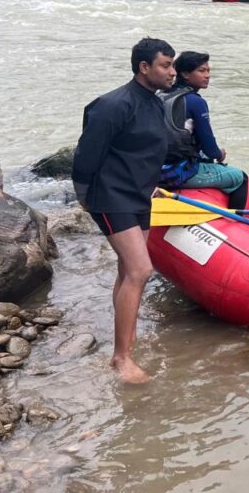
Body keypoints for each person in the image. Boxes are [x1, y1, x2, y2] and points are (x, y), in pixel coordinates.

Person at [71, 37, 176, 384]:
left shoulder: (156, 103)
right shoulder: (113, 105)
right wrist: (86, 196)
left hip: (139, 195)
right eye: (165, 65)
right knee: (140, 270)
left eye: (172, 65)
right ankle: (121, 358)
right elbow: (87, 154)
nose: (172, 72)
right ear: (144, 67)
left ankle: (125, 338)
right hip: (110, 195)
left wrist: (154, 185)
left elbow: (147, 150)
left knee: (126, 270)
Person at [157, 51, 249, 208]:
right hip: (175, 174)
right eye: (201, 71)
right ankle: (236, 221)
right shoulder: (195, 102)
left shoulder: (161, 95)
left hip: (153, 169)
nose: (207, 75)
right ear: (185, 74)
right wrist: (219, 154)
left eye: (208, 71)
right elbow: (210, 148)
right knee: (240, 177)